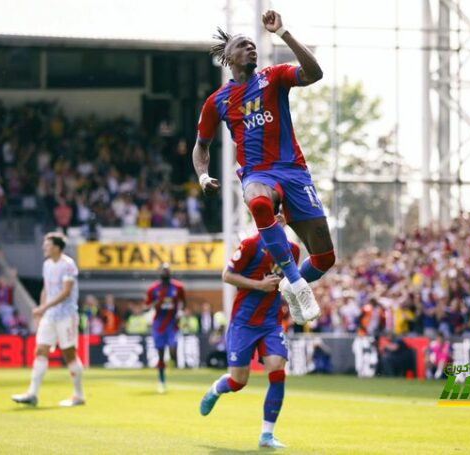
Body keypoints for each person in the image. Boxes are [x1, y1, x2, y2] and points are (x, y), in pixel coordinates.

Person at [193, 9, 336, 326]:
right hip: (258, 173)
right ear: (228, 57)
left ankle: (289, 284)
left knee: (325, 257)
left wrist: (283, 32)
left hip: (295, 172)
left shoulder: (273, 77)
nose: (251, 48)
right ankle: (296, 282)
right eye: (242, 45)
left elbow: (314, 74)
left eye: (252, 44)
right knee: (258, 202)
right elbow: (201, 146)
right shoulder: (217, 101)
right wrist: (203, 175)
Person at [199, 214, 299, 449]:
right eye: (274, 214)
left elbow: (291, 281)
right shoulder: (251, 244)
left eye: (282, 214)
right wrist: (259, 285)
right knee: (238, 381)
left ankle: (267, 435)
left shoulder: (293, 250)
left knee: (277, 369)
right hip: (243, 322)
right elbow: (227, 275)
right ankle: (216, 389)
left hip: (271, 323)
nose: (279, 218)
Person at [11, 232, 84, 407]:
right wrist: (42, 310)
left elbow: (65, 292)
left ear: (57, 247)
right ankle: (32, 393)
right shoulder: (47, 265)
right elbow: (46, 288)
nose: (44, 247)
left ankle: (79, 395)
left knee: (69, 354)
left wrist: (44, 307)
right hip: (50, 315)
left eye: (48, 244)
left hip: (66, 315)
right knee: (40, 350)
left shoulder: (68, 265)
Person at [144, 263, 186, 393]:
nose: (166, 273)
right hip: (159, 323)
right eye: (163, 271)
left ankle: (173, 361)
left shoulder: (178, 287)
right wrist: (158, 302)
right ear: (159, 273)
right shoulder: (153, 289)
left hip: (172, 322)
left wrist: (180, 311)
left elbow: (183, 302)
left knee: (173, 346)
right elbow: (146, 306)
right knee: (160, 352)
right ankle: (161, 380)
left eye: (167, 271)